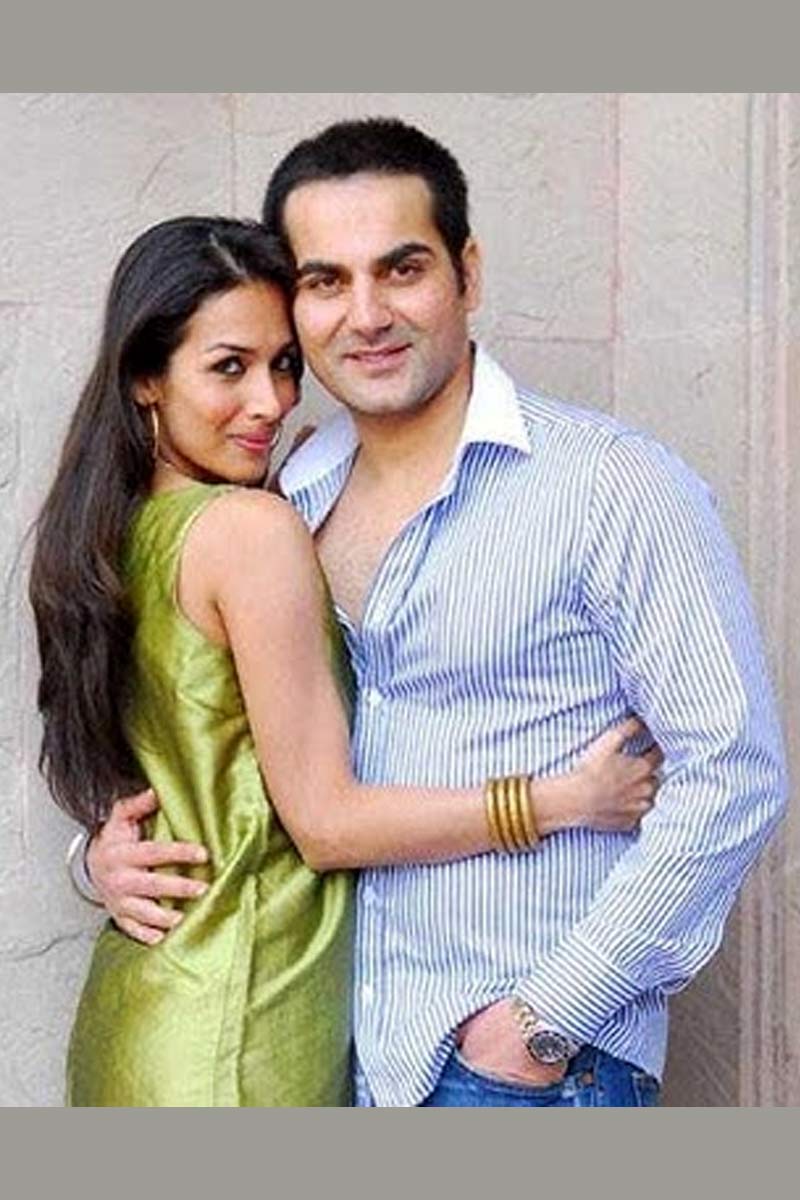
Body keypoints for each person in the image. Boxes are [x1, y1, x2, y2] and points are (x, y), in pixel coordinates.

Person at [76, 119, 787, 1108]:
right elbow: (226, 751)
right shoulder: (288, 495)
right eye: (326, 281)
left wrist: (545, 1020)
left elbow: (734, 772)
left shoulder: (611, 486)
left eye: (401, 269)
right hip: (340, 1060)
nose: (365, 315)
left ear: (467, 273)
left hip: (520, 1068)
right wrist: (102, 858)